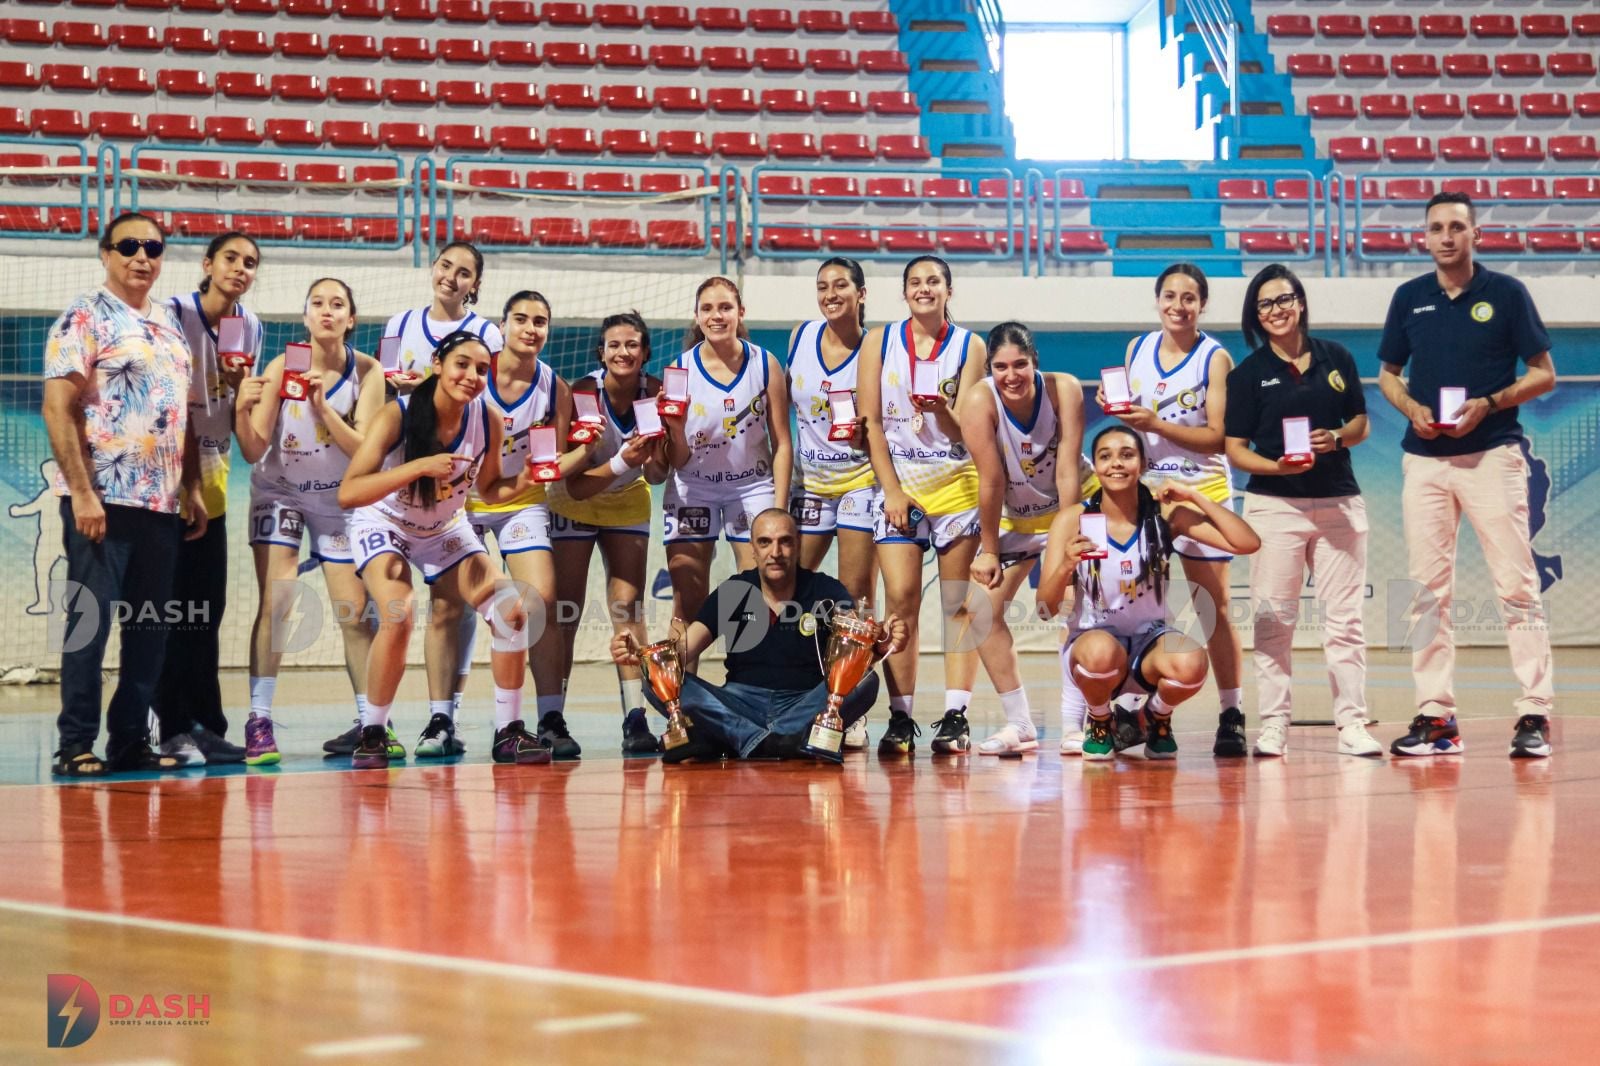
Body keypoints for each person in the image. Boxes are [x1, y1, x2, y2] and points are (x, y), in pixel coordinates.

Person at [1376, 191, 1558, 758]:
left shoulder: (1506, 294)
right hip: (1425, 460)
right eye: (1437, 228)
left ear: (1476, 234)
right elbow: (1387, 375)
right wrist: (1412, 408)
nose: (1447, 236)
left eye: (1457, 226)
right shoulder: (1409, 298)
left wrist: (1490, 402)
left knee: (1517, 585)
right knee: (1427, 594)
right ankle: (1437, 718)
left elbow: (1544, 373)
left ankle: (1534, 712)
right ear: (1425, 238)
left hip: (1492, 456)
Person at [44, 212, 207, 777]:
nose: (142, 256)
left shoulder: (169, 324)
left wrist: (191, 487)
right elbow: (58, 409)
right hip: (102, 502)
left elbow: (181, 414)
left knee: (149, 630)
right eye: (130, 246)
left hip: (160, 506)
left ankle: (131, 740)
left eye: (153, 248)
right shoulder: (84, 315)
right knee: (88, 626)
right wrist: (82, 493)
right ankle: (75, 744)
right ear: (106, 253)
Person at [337, 331, 542, 769]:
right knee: (399, 612)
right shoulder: (397, 414)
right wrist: (418, 467)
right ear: (438, 363)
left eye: (481, 369)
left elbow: (490, 488)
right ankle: (373, 732)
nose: (471, 376)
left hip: (444, 527)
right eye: (462, 364)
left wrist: (524, 480)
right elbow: (349, 492)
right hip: (385, 522)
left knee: (511, 611)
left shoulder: (487, 419)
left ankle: (509, 731)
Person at [1224, 265, 1381, 758]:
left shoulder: (1337, 356)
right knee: (1274, 621)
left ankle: (1352, 724)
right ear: (1255, 315)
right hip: (1275, 507)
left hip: (1339, 501)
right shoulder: (1247, 374)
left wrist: (1336, 438)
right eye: (1265, 304)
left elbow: (1361, 422)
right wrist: (1275, 466)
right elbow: (1235, 449)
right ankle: (1274, 725)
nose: (1276, 310)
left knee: (1345, 621)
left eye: (1284, 299)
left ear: (1301, 302)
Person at [608, 509, 906, 763]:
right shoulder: (733, 591)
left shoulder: (825, 590)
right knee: (654, 679)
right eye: (765, 542)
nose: (775, 552)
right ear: (753, 548)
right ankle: (779, 741)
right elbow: (682, 651)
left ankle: (733, 738)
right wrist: (642, 656)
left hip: (804, 702)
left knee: (866, 682)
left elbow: (854, 637)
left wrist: (879, 644)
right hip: (739, 702)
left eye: (784, 542)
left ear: (798, 545)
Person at [1038, 427, 1261, 761]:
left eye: (1127, 455)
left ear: (1143, 464)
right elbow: (1045, 608)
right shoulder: (1073, 519)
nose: (1116, 463)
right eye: (1105, 456)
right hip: (1093, 647)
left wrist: (1194, 497)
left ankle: (1155, 716)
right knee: (1098, 652)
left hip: (1150, 643)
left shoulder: (1165, 515)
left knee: (1191, 662)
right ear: (1096, 467)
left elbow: (1246, 543)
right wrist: (1065, 566)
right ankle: (1100, 720)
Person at [235, 278, 386, 765]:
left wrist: (322, 408)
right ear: (305, 317)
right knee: (277, 601)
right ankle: (259, 719)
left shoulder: (369, 372)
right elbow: (253, 449)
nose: (327, 311)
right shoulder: (284, 366)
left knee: (356, 613)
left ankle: (370, 724)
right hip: (280, 493)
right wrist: (240, 408)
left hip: (338, 500)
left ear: (350, 319)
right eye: (317, 303)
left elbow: (365, 450)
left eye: (337, 304)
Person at [1106, 263, 1246, 757]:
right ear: (1157, 299)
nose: (1178, 306)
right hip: (1150, 494)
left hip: (1201, 490)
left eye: (1189, 298)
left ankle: (1231, 714)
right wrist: (1118, 409)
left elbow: (1219, 437)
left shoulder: (1215, 358)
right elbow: (1133, 425)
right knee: (1139, 607)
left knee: (1213, 609)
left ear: (1202, 304)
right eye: (1170, 296)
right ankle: (1137, 710)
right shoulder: (1137, 349)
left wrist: (1156, 425)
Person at [856, 255, 987, 756]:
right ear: (904, 291)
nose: (924, 288)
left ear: (949, 291)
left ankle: (956, 715)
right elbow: (870, 422)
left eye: (934, 281)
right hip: (900, 485)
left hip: (955, 485)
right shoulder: (880, 341)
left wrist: (943, 412)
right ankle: (900, 716)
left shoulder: (971, 345)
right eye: (915, 282)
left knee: (958, 603)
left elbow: (968, 431)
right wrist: (890, 489)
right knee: (901, 600)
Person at [450, 291, 589, 760]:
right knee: (449, 608)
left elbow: (558, 458)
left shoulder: (554, 387)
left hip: (520, 499)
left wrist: (586, 451)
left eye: (540, 321)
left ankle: (550, 718)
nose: (531, 329)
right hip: (463, 501)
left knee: (541, 603)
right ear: (502, 326)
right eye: (522, 319)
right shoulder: (474, 374)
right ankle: (441, 719)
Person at [150, 231, 262, 767]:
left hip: (214, 482)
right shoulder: (172, 313)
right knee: (168, 611)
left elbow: (239, 414)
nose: (240, 269)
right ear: (207, 263)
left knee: (206, 612)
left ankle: (207, 726)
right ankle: (166, 723)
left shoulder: (251, 325)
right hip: (166, 479)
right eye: (231, 258)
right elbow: (168, 400)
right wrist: (185, 482)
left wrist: (241, 388)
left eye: (250, 263)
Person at [544, 311, 672, 755]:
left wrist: (656, 450)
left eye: (632, 344)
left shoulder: (657, 393)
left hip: (627, 498)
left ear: (645, 352)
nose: (623, 352)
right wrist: (622, 461)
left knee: (627, 606)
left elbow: (656, 476)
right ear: (601, 352)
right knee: (566, 610)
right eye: (614, 345)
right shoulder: (582, 392)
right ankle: (552, 719)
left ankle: (636, 717)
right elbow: (576, 486)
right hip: (575, 499)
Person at [960, 321, 1087, 755]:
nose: (1011, 375)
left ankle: (1077, 724)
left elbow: (1068, 471)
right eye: (1001, 367)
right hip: (1015, 518)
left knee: (1076, 608)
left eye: (1020, 364)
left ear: (1035, 362)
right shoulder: (979, 401)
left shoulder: (1065, 389)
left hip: (1067, 508)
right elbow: (991, 480)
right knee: (979, 612)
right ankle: (1021, 724)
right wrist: (989, 551)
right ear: (989, 369)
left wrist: (1068, 544)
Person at [663, 276, 793, 623]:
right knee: (688, 601)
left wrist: (777, 510)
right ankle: (682, 662)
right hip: (694, 487)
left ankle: (751, 660)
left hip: (751, 486)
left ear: (740, 312)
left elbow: (782, 442)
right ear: (696, 316)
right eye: (707, 308)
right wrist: (675, 430)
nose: (716, 316)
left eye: (725, 307)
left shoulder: (765, 364)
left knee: (758, 593)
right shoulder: (679, 370)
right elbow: (676, 459)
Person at [786, 257, 877, 747]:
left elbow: (884, 420)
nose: (830, 293)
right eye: (822, 286)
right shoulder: (800, 336)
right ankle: (793, 690)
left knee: (855, 595)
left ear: (861, 293)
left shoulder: (875, 346)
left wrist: (866, 434)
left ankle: (852, 703)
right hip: (811, 483)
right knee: (791, 586)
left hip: (860, 479)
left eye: (841, 285)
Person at [380, 241, 504, 386]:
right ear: (433, 267)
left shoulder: (488, 334)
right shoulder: (398, 323)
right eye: (445, 266)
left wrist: (422, 390)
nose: (450, 277)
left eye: (463, 274)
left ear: (475, 285)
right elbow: (385, 382)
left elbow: (490, 394)